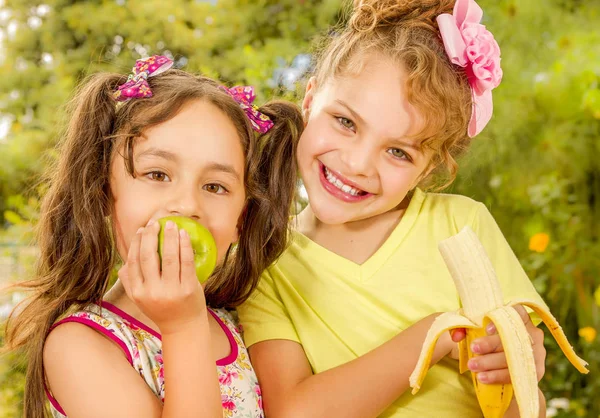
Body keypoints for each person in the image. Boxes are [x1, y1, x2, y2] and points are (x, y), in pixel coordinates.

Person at [237, 1, 548, 417]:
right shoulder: (265, 262)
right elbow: (294, 410)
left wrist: (517, 371)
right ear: (309, 100)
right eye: (345, 122)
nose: (358, 164)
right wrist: (435, 334)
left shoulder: (462, 224)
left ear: (429, 167)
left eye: (398, 152)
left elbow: (528, 405)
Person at [4, 55, 303, 418]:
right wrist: (183, 327)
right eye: (158, 175)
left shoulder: (244, 322)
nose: (187, 205)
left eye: (215, 186)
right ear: (102, 191)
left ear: (243, 216)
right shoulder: (80, 345)